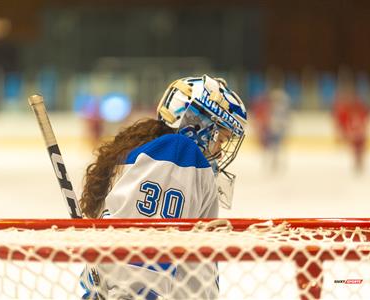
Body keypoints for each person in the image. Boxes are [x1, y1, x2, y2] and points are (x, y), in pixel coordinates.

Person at [79, 75, 247, 299]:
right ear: (197, 126)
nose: (219, 151)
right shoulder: (177, 154)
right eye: (221, 139)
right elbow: (143, 270)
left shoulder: (146, 156)